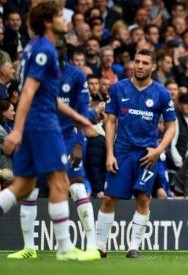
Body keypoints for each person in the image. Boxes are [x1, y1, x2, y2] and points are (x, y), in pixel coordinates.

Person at [0, 0, 95, 261]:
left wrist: (78, 117)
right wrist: (17, 130)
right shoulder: (44, 49)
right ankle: (64, 248)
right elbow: (28, 92)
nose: (65, 19)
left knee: (22, 187)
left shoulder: (35, 48)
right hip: (42, 125)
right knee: (61, 182)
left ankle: (63, 248)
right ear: (47, 22)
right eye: (59, 15)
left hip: (36, 122)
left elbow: (47, 94)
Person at [96, 48, 176, 259]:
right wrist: (110, 153)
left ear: (153, 67)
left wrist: (159, 150)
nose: (139, 66)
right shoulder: (118, 88)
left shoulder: (161, 93)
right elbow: (110, 121)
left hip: (147, 155)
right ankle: (99, 246)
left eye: (144, 63)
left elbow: (171, 126)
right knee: (109, 198)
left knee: (143, 198)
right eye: (137, 61)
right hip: (121, 152)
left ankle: (133, 247)